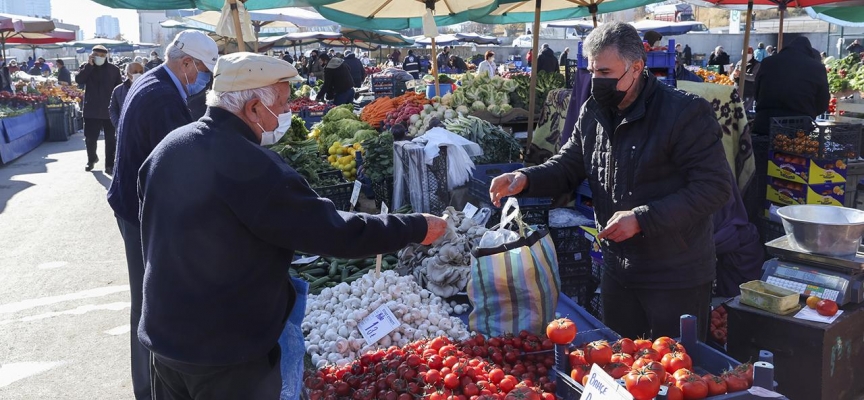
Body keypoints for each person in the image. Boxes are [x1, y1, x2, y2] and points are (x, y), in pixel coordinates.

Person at [138, 52, 447, 399]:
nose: (286, 113)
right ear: (254, 107)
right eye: (283, 104)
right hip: (226, 355)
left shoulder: (167, 148)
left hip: (164, 340)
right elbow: (334, 232)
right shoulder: (254, 167)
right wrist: (415, 227)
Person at [489, 22, 731, 341]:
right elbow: (568, 164)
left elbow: (714, 188)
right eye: (592, 72)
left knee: (676, 375)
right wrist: (524, 178)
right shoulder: (594, 110)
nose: (596, 81)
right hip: (618, 267)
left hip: (675, 274)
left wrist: (642, 218)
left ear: (637, 68)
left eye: (605, 72)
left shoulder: (684, 112)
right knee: (621, 361)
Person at [106, 30, 218, 400]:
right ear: (186, 63)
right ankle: (151, 390)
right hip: (139, 214)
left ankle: (148, 386)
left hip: (130, 205)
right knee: (150, 304)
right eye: (202, 71)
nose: (203, 82)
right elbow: (178, 164)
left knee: (146, 299)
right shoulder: (162, 99)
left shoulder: (152, 81)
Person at [753, 36, 829, 136]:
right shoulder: (817, 68)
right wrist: (808, 113)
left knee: (761, 150)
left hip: (765, 123)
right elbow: (823, 102)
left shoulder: (768, 62)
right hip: (799, 127)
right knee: (793, 151)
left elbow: (756, 92)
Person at [76, 45, 122, 173]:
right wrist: (89, 66)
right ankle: (91, 159)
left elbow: (119, 88)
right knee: (90, 138)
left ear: (106, 56)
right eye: (97, 55)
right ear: (92, 55)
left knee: (110, 139)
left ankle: (109, 164)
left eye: (102, 56)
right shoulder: (86, 67)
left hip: (110, 110)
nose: (100, 58)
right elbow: (79, 80)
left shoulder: (114, 70)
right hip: (91, 109)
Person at [108, 62, 144, 129]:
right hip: (125, 130)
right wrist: (118, 125)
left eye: (141, 72)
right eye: (135, 72)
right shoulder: (118, 90)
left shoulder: (148, 89)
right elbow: (113, 109)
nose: (138, 74)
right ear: (128, 74)